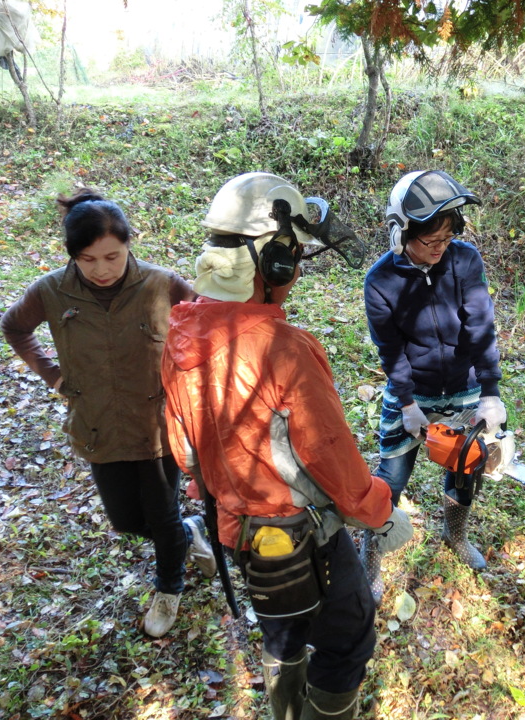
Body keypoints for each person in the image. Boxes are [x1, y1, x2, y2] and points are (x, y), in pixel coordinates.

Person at [161, 172, 412, 720]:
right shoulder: (286, 349)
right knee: (348, 638)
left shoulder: (179, 334)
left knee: (282, 627)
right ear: (273, 261)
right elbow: (330, 455)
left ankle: (285, 710)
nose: (296, 269)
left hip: (238, 533)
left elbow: (184, 452)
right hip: (304, 533)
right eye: (295, 255)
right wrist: (377, 510)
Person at [0, 188, 217, 639]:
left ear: (129, 244)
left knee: (159, 514)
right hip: (96, 424)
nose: (101, 269)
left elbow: (209, 323)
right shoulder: (51, 291)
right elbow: (14, 327)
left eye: (112, 256)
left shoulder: (161, 284)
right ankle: (190, 530)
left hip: (156, 428)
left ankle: (169, 587)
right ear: (73, 255)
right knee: (125, 520)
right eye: (88, 259)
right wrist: (52, 376)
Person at [362, 170, 507, 601]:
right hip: (413, 390)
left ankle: (455, 535)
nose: (440, 249)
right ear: (399, 233)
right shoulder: (380, 281)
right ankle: (371, 558)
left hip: (461, 386)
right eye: (431, 241)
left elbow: (480, 325)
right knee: (390, 476)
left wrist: (490, 392)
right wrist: (406, 404)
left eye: (447, 237)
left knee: (467, 467)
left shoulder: (464, 261)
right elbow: (391, 350)